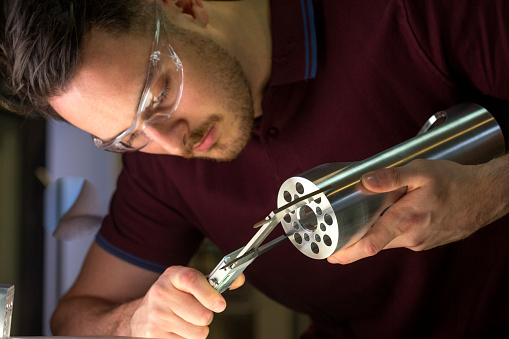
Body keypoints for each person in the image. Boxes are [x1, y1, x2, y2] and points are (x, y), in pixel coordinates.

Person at [2, 0, 509, 337]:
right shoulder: (162, 168)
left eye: (158, 94)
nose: (169, 143)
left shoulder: (397, 13)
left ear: (187, 6)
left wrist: (491, 192)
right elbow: (75, 319)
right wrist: (135, 321)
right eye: (127, 137)